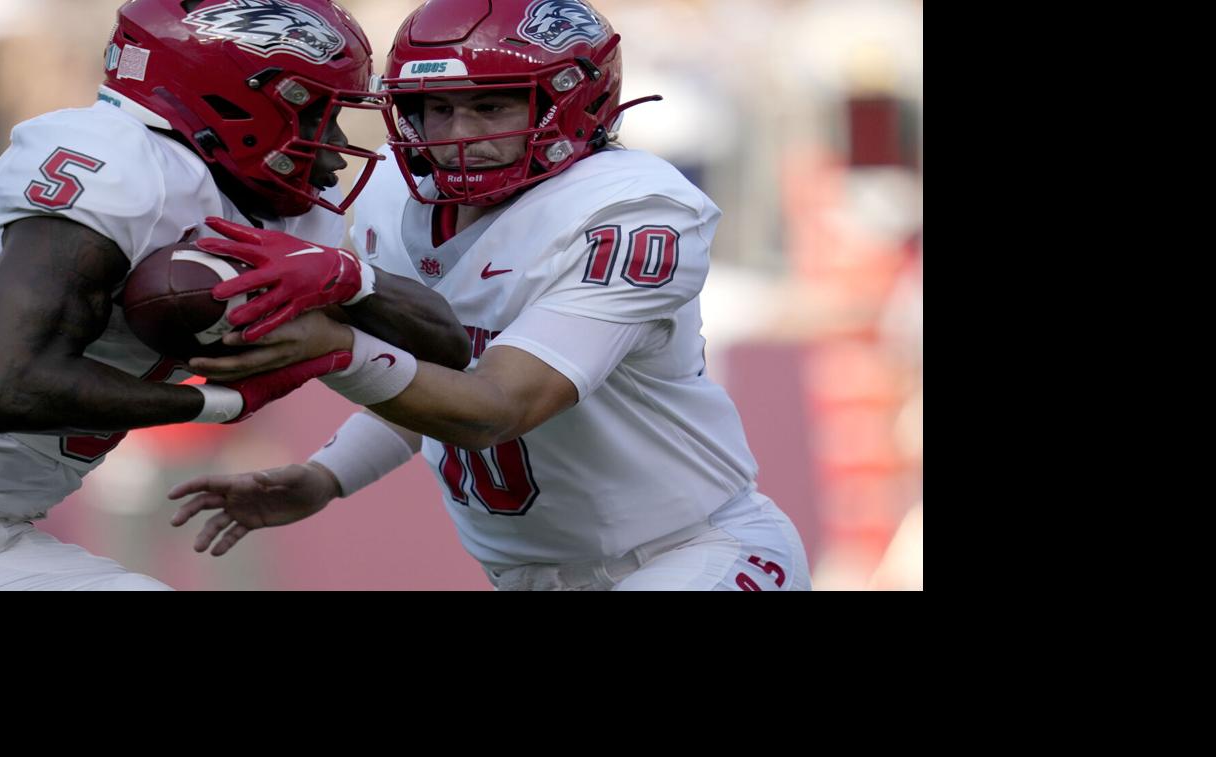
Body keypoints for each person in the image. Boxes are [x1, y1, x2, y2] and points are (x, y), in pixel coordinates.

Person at [0, 0, 467, 591]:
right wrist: (217, 403)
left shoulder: (284, 214)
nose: (335, 140)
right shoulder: (116, 162)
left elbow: (450, 350)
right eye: (314, 111)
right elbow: (7, 386)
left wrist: (352, 280)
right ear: (230, 94)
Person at [170, 0, 810, 591]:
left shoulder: (632, 211)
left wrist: (335, 346)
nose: (456, 133)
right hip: (528, 576)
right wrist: (326, 476)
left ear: (573, 104)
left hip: (692, 555)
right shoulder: (392, 195)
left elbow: (496, 406)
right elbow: (433, 382)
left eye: (490, 107)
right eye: (437, 107)